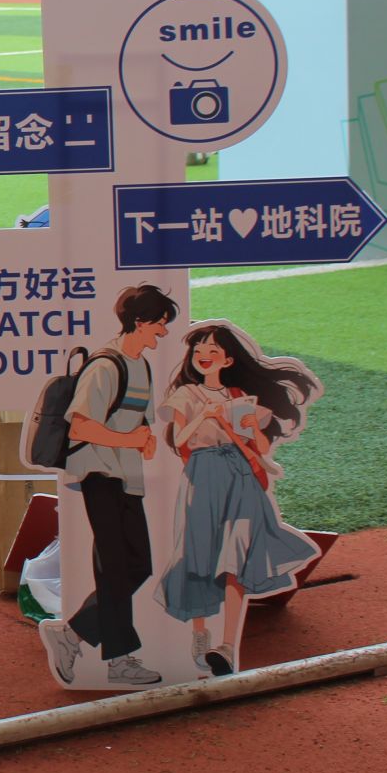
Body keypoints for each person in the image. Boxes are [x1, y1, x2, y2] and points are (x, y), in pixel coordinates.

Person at [153, 322, 321, 678]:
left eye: (212, 351)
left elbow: (259, 446)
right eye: (199, 351)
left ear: (228, 359)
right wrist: (204, 415)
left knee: (237, 553)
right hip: (202, 477)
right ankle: (200, 634)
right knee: (199, 554)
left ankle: (227, 645)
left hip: (240, 476)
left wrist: (247, 425)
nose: (204, 356)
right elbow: (180, 441)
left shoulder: (239, 396)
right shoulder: (186, 395)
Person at [42, 283, 176, 689]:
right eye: (159, 323)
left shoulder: (141, 366)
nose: (163, 331)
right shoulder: (104, 365)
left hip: (126, 476)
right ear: (140, 321)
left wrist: (144, 439)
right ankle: (118, 660)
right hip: (99, 474)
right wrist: (130, 440)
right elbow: (81, 426)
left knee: (136, 565)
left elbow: (139, 418)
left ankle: (72, 635)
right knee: (115, 567)